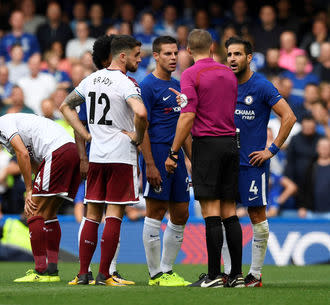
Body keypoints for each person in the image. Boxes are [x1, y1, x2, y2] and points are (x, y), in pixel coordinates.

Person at [60, 35, 147, 286]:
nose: (139, 59)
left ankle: (82, 274)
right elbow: (140, 112)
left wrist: (86, 134)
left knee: (92, 215)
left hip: (97, 155)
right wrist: (137, 136)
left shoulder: (91, 80)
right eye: (136, 54)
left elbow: (65, 106)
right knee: (114, 214)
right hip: (121, 156)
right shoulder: (125, 83)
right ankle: (105, 275)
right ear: (122, 56)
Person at [165, 29, 241, 288]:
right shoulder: (229, 74)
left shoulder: (189, 74)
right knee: (230, 211)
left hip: (207, 145)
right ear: (212, 48)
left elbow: (187, 116)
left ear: (188, 50)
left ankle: (213, 276)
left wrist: (174, 151)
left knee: (211, 211)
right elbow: (217, 103)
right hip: (231, 143)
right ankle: (236, 276)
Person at [0, 112, 81, 283]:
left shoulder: (2, 124)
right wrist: (37, 185)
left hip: (57, 152)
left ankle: (40, 270)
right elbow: (34, 162)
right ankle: (51, 271)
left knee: (32, 211)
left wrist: (30, 190)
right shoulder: (8, 136)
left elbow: (23, 155)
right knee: (49, 214)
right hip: (70, 151)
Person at [223, 37, 296, 287]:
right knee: (225, 217)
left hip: (252, 164)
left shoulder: (262, 86)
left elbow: (289, 117)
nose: (232, 58)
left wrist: (271, 150)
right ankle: (230, 273)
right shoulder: (223, 84)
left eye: (237, 54)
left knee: (258, 218)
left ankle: (254, 275)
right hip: (225, 163)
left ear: (249, 57)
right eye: (229, 54)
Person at [139, 36, 191, 287]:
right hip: (157, 153)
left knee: (181, 212)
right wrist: (149, 163)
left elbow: (185, 128)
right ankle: (155, 275)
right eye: (168, 54)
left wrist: (193, 161)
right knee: (156, 211)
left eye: (175, 53)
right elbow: (142, 128)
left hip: (177, 154)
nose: (173, 58)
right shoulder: (147, 86)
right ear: (156, 56)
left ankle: (167, 269)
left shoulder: (179, 86)